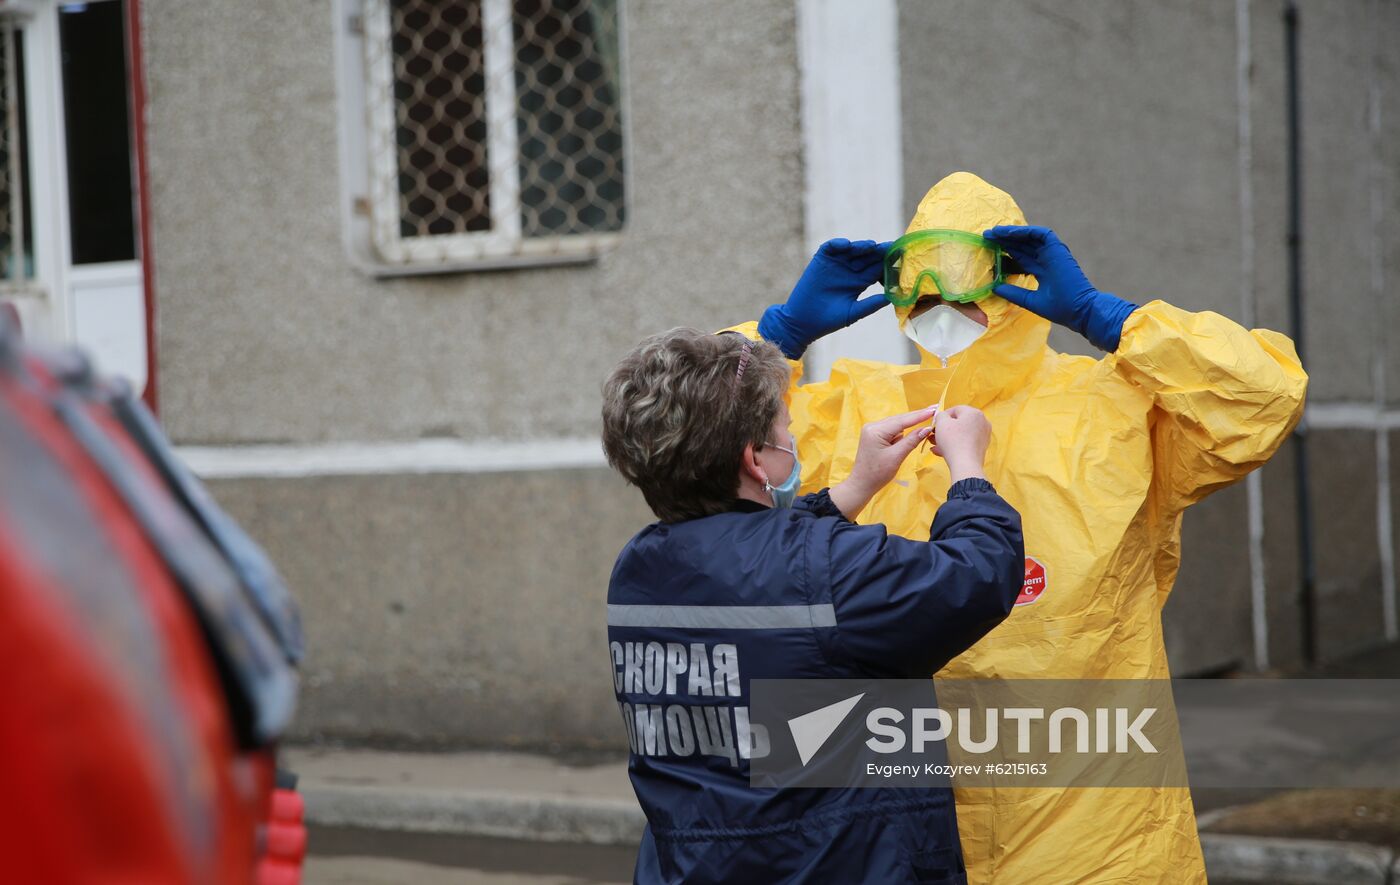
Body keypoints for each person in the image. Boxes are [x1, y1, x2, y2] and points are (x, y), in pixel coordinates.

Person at [737, 171, 1309, 883]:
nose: (945, 314)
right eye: (928, 295)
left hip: (1093, 828)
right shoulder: (860, 408)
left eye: (967, 295)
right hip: (907, 815)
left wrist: (1111, 318)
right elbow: (696, 450)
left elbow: (1261, 400)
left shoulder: (1109, 406)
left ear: (1014, 292)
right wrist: (773, 339)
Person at [601, 328, 1025, 883]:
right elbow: (979, 573)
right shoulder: (832, 570)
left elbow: (767, 575)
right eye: (786, 429)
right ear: (756, 459)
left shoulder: (637, 571)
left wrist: (855, 486)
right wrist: (968, 469)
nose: (792, 438)